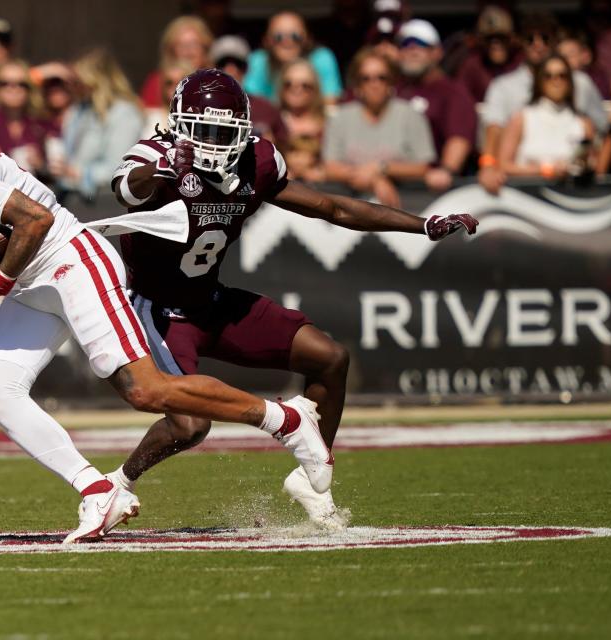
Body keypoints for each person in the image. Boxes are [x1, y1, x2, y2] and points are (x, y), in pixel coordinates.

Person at [0, 63, 338, 544]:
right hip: (37, 272)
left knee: (148, 390)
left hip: (68, 259)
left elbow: (34, 219)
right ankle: (99, 490)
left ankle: (285, 419)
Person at [108, 69, 477, 528]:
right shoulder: (158, 154)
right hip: (157, 309)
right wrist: (160, 171)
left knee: (329, 358)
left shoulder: (257, 159)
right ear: (179, 125)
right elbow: (124, 188)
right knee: (190, 425)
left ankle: (310, 474)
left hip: (211, 300)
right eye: (205, 131)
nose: (216, 143)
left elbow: (332, 207)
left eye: (227, 132)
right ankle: (118, 483)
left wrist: (420, 224)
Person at [478, 12, 608, 195]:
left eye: (545, 38)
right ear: (521, 42)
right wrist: (489, 167)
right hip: (524, 189)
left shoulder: (581, 83)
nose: (538, 45)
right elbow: (494, 130)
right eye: (530, 39)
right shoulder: (504, 87)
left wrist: (597, 173)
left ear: (554, 41)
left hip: (574, 191)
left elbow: (601, 131)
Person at [323, 49, 435, 208]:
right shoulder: (340, 118)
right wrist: (374, 180)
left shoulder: (411, 115)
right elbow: (330, 168)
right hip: (349, 208)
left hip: (406, 205)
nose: (374, 84)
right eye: (366, 78)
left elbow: (422, 167)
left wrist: (381, 168)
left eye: (381, 78)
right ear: (357, 84)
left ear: (391, 82)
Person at [395, 20, 477, 192]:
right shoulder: (392, 89)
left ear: (437, 52)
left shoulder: (452, 92)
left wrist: (446, 170)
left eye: (421, 44)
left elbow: (459, 139)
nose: (413, 51)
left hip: (429, 189)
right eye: (406, 44)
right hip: (391, 180)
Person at [49, 49, 143, 199]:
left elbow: (119, 167)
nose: (73, 87)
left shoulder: (124, 113)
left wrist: (79, 173)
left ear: (95, 81)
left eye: (78, 81)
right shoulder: (78, 111)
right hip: (73, 199)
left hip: (105, 203)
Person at [498, 54, 595, 180]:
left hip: (570, 193)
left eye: (562, 75)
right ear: (540, 81)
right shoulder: (522, 118)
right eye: (548, 76)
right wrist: (546, 170)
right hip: (527, 194)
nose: (556, 81)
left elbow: (593, 164)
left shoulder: (583, 123)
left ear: (569, 81)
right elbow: (503, 165)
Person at [245, 11, 342, 103]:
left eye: (295, 36)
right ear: (266, 40)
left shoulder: (321, 58)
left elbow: (331, 102)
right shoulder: (258, 60)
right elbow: (250, 103)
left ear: (308, 38)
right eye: (278, 36)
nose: (287, 41)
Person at [0, 59, 50, 174]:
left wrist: (41, 164)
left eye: (21, 84)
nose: (13, 89)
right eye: (5, 83)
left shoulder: (39, 124)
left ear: (29, 88)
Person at [210, 35, 287, 148]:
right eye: (223, 64)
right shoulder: (199, 106)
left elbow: (285, 151)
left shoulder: (267, 109)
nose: (231, 70)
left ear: (247, 68)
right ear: (212, 68)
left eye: (238, 64)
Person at [138, 16, 213, 109]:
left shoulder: (218, 83)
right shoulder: (157, 82)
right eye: (182, 45)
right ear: (171, 51)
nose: (188, 51)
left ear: (205, 49)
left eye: (194, 44)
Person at [454, 5, 522, 103]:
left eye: (502, 38)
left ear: (511, 40)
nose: (496, 44)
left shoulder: (520, 64)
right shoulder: (472, 66)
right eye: (490, 39)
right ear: (481, 42)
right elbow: (459, 98)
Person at [279, 59, 327, 182]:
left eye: (305, 85)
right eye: (289, 84)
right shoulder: (273, 123)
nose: (296, 89)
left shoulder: (328, 125)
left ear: (315, 90)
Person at [556, 30, 611, 99]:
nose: (564, 59)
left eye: (570, 54)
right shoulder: (556, 80)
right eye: (561, 55)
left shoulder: (599, 80)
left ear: (586, 56)